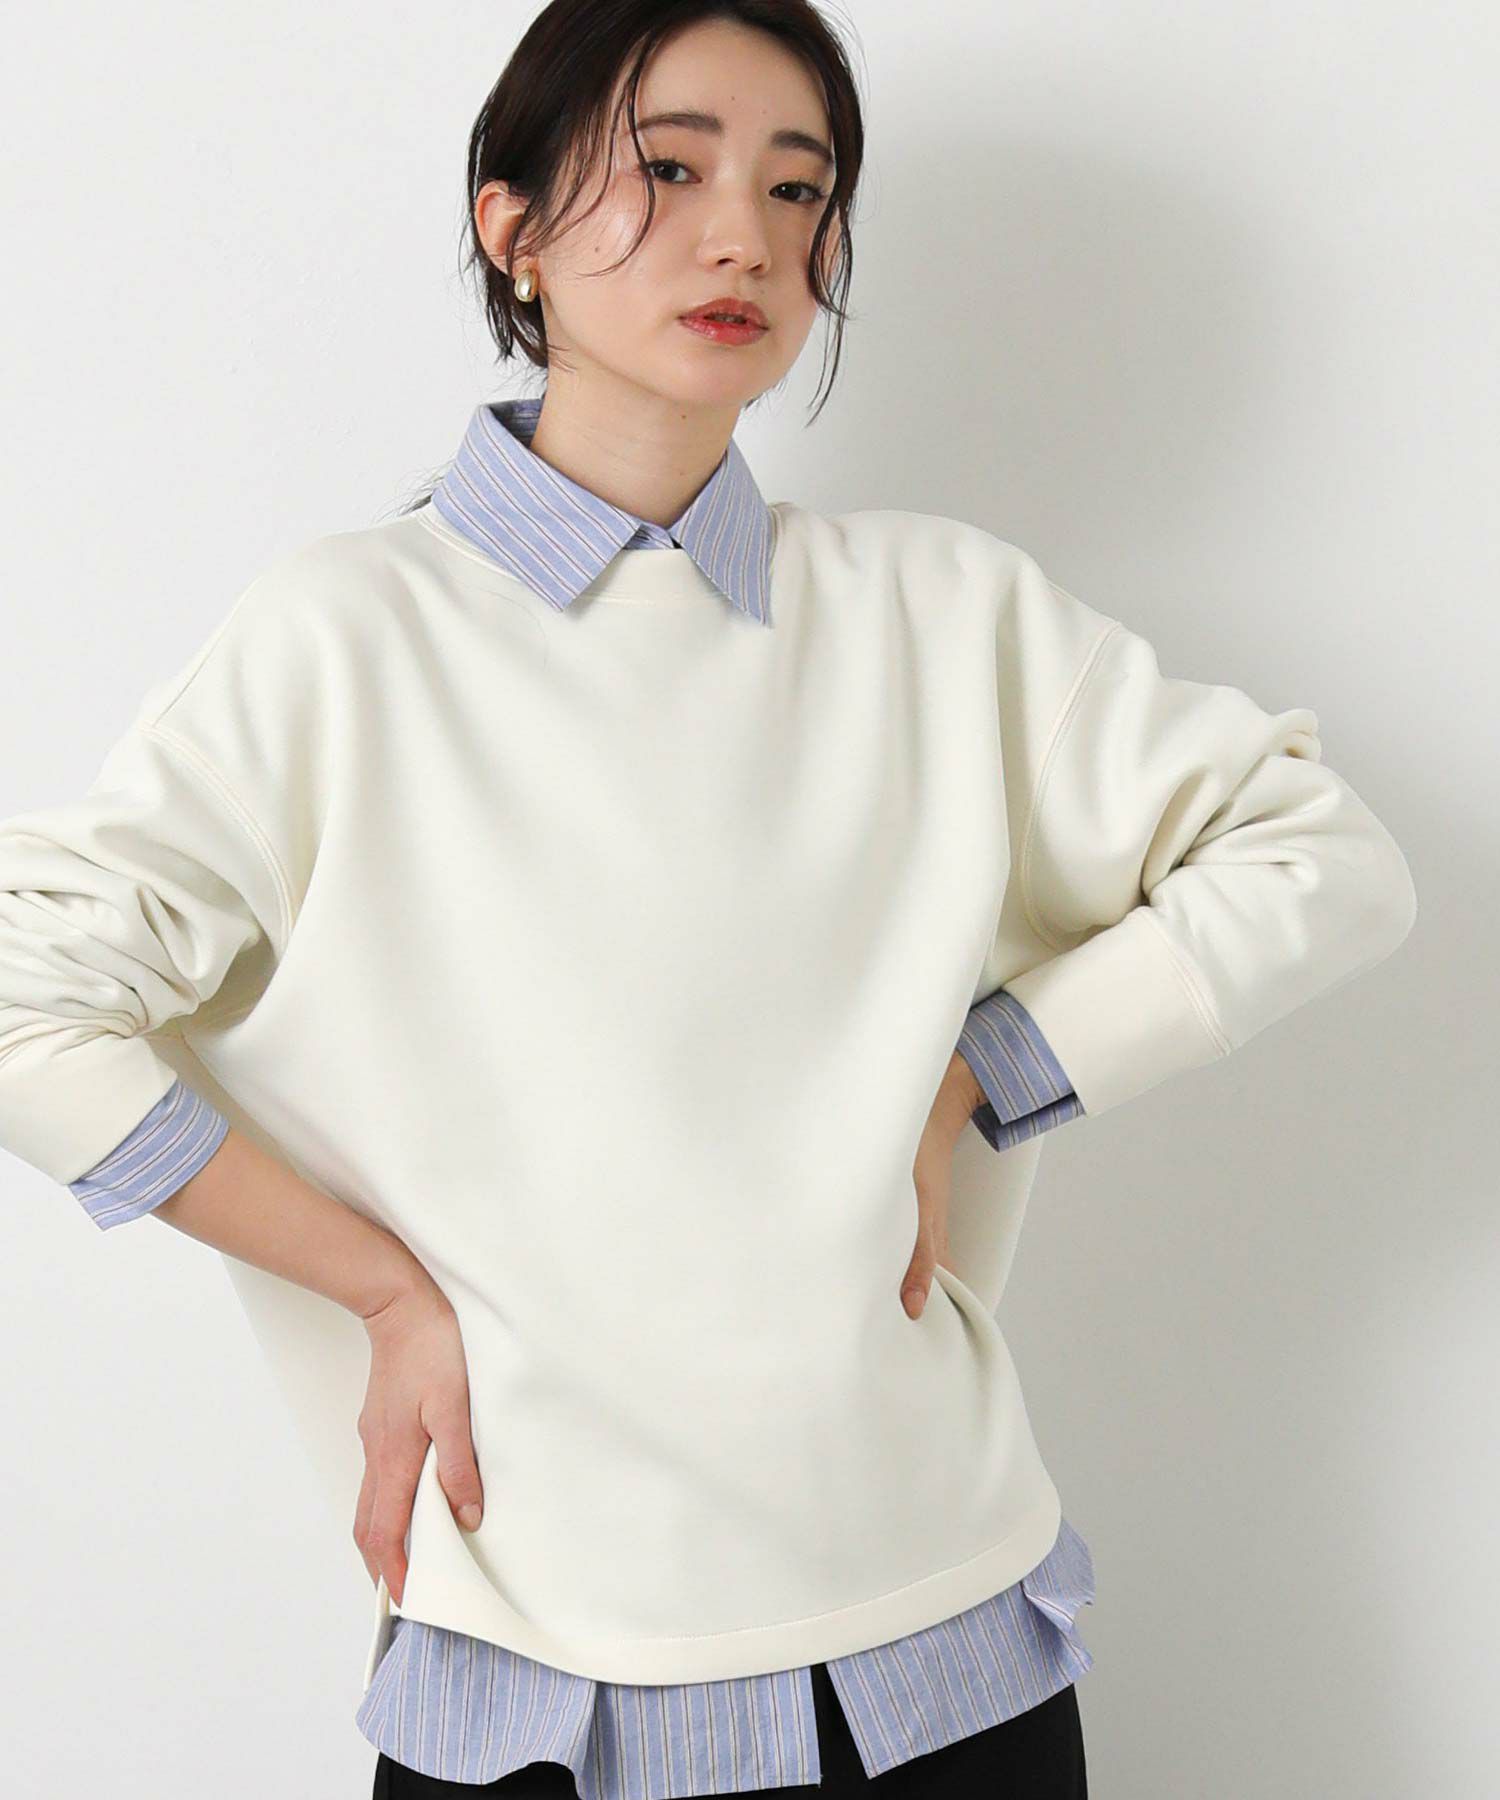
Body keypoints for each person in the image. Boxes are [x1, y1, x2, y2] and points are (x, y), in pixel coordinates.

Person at [0, 3, 1417, 1796]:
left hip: (946, 1651)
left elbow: (1323, 858)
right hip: (546, 1670)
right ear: (512, 225)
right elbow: (25, 992)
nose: (742, 233)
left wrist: (980, 1071)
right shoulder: (343, 640)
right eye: (667, 169)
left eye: (797, 187)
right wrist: (382, 1294)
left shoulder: (943, 614)